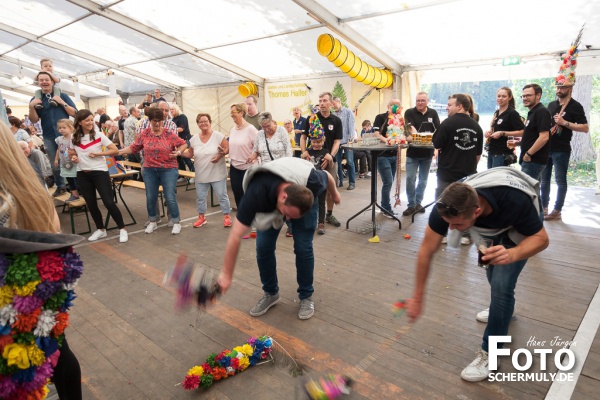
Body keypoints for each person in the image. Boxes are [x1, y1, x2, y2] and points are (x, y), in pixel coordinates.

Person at [407, 167, 549, 382]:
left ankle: (492, 354)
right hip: (489, 228)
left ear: (476, 212)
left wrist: (513, 253)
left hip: (520, 226)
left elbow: (542, 239)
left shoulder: (515, 202)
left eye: (457, 225)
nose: (451, 230)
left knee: (501, 286)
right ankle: (503, 310)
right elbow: (426, 251)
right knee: (494, 278)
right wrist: (417, 298)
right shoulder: (446, 206)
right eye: (448, 224)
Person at [0, 121, 83, 400]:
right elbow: (53, 230)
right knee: (56, 348)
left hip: (17, 296)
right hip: (37, 287)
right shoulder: (27, 186)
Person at [216, 157, 341, 320]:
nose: (288, 220)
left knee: (303, 248)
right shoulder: (256, 193)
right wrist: (226, 275)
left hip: (301, 186)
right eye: (287, 215)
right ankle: (271, 293)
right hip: (269, 200)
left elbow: (327, 175)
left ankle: (306, 296)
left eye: (291, 217)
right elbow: (235, 235)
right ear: (283, 197)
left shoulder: (313, 180)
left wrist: (335, 194)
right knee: (263, 247)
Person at [120, 107, 187, 234]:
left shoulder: (169, 133)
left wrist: (178, 152)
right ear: (149, 121)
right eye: (154, 120)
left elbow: (183, 143)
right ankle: (152, 221)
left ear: (163, 121)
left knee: (170, 196)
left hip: (168, 169)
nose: (157, 123)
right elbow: (134, 147)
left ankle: (176, 221)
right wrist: (118, 151)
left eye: (159, 120)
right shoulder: (144, 134)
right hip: (149, 169)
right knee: (151, 196)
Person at [70, 109, 129, 243]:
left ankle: (122, 228)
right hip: (82, 173)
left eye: (92, 120)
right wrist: (73, 157)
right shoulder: (74, 137)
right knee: (91, 203)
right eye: (87, 120)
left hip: (99, 172)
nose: (91, 122)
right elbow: (72, 152)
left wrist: (98, 154)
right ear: (79, 122)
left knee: (108, 202)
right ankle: (101, 229)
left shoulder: (99, 135)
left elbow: (114, 150)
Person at [541, 85, 588, 221]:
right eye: (558, 87)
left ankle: (557, 210)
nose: (559, 90)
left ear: (570, 89)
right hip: (547, 147)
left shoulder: (575, 106)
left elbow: (585, 128)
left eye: (562, 88)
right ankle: (544, 207)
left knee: (560, 180)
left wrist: (564, 123)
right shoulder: (551, 105)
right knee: (544, 180)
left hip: (561, 149)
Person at [28, 71, 77, 197]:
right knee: (54, 163)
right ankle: (61, 186)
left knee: (72, 160)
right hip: (49, 136)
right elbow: (34, 120)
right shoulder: (36, 99)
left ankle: (77, 188)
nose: (44, 82)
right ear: (38, 83)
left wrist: (62, 102)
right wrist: (31, 107)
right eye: (41, 80)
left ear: (52, 81)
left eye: (46, 79)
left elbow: (74, 113)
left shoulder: (63, 95)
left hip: (67, 136)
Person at [183, 113, 232, 228]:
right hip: (201, 173)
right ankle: (201, 217)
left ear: (210, 122)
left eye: (206, 121)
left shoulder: (218, 136)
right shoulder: (194, 139)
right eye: (201, 122)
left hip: (217, 172)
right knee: (200, 197)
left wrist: (220, 155)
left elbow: (227, 148)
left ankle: (227, 216)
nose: (203, 123)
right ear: (198, 124)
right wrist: (179, 153)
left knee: (222, 195)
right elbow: (190, 153)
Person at [301, 92, 343, 228]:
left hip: (329, 160)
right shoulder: (311, 118)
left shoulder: (336, 121)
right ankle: (312, 216)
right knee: (310, 188)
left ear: (331, 103)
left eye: (325, 100)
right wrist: (304, 152)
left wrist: (331, 155)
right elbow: (303, 137)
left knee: (330, 189)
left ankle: (329, 214)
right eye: (320, 101)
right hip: (312, 159)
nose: (322, 103)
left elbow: (337, 140)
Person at [403, 92, 441, 215]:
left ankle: (418, 203)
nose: (420, 103)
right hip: (412, 153)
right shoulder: (409, 112)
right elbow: (409, 129)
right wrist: (421, 136)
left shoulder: (433, 113)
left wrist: (419, 138)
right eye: (418, 100)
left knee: (423, 180)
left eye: (422, 100)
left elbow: (438, 130)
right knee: (410, 179)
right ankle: (411, 204)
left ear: (427, 101)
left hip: (427, 153)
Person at [371, 99, 404, 217]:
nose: (395, 107)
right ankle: (386, 208)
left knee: (390, 182)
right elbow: (376, 133)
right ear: (388, 106)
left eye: (397, 105)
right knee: (388, 182)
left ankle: (384, 206)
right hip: (382, 155)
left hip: (394, 155)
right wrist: (387, 141)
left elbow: (403, 134)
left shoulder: (400, 119)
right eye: (392, 105)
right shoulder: (380, 117)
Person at [485, 87, 525, 169]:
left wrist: (502, 133)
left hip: (502, 152)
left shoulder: (512, 113)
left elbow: (522, 132)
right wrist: (489, 133)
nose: (500, 98)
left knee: (497, 176)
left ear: (509, 98)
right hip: (492, 150)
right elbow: (496, 129)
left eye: (504, 96)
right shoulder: (497, 112)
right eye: (499, 96)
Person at [518, 84, 551, 182]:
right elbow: (533, 136)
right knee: (532, 189)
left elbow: (544, 137)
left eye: (528, 95)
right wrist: (519, 143)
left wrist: (528, 154)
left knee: (526, 189)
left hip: (533, 160)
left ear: (538, 95)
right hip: (530, 160)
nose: (525, 98)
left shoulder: (541, 111)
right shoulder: (533, 112)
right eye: (523, 96)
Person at [228, 103, 258, 209]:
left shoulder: (251, 129)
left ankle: (251, 215)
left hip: (247, 168)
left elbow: (259, 146)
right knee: (237, 194)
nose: (231, 115)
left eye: (233, 112)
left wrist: (254, 154)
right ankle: (241, 216)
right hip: (234, 167)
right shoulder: (232, 129)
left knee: (249, 195)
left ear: (241, 113)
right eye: (231, 112)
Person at [306, 131, 329, 235]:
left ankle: (321, 223)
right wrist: (302, 156)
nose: (316, 144)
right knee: (310, 201)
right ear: (311, 141)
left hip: (321, 181)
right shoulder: (308, 152)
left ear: (323, 141)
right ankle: (311, 221)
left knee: (321, 202)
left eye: (319, 142)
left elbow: (330, 165)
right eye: (314, 142)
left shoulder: (326, 152)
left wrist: (330, 159)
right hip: (310, 181)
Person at [332, 97, 356, 190]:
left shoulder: (348, 112)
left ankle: (352, 182)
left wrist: (350, 141)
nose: (333, 106)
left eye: (334, 104)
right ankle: (340, 181)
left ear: (339, 102)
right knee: (337, 163)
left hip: (347, 141)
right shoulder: (333, 114)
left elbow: (351, 127)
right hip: (337, 142)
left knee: (350, 162)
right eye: (332, 105)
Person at [54, 119, 80, 203]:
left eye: (64, 127)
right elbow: (58, 149)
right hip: (65, 163)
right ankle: (74, 194)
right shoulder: (59, 139)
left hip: (74, 162)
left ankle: (81, 192)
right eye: (60, 128)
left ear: (71, 128)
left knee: (77, 178)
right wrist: (56, 159)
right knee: (69, 179)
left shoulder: (73, 138)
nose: (61, 129)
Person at [170, 103, 194, 174]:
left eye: (172, 109)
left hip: (185, 140)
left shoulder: (182, 117)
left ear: (176, 109)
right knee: (179, 158)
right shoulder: (173, 119)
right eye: (170, 110)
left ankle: (193, 172)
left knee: (186, 158)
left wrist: (170, 130)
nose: (171, 111)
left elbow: (181, 129)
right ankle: (183, 175)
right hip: (178, 141)